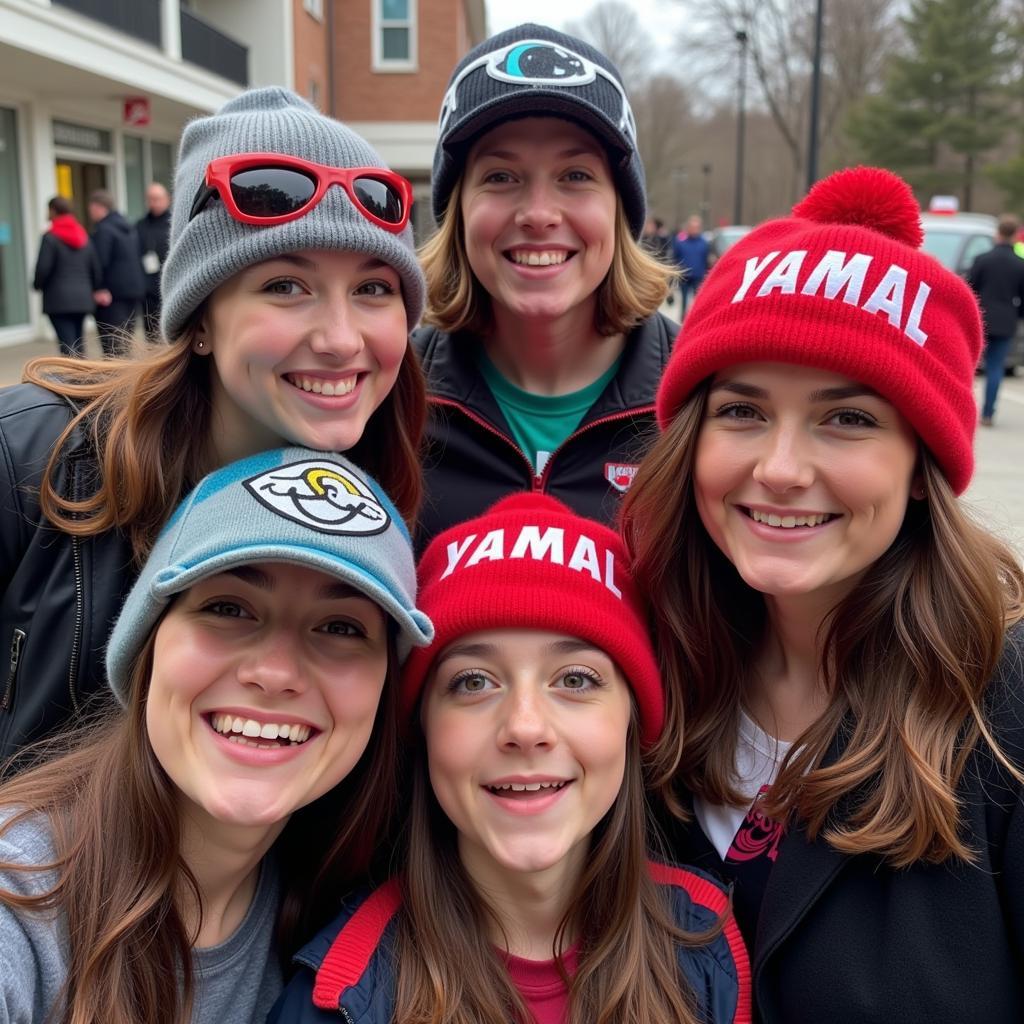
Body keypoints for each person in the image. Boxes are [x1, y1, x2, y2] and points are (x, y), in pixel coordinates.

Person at [620, 166, 1024, 1023]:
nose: (780, 469)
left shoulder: (1005, 708)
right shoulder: (646, 664)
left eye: (848, 419)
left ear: (922, 468)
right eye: (742, 412)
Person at [0, 86, 426, 762]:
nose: (343, 340)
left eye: (373, 289)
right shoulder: (28, 458)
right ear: (199, 321)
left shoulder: (399, 508)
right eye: (286, 286)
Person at [269, 494, 751, 1024]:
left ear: (632, 720)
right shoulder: (340, 993)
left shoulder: (707, 943)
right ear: (422, 725)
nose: (525, 728)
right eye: (473, 682)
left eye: (574, 679)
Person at [0, 446, 433, 1024]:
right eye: (229, 608)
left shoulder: (345, 905)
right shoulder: (19, 901)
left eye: (339, 627)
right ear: (147, 647)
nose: (275, 673)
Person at [414, 23, 678, 549]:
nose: (538, 214)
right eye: (501, 177)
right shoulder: (392, 395)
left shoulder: (698, 397)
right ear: (458, 210)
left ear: (620, 207)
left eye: (576, 175)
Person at [967, 214, 1024, 426]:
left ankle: (965, 411)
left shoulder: (983, 259)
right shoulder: (1020, 265)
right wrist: (1017, 317)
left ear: (997, 233)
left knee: (970, 368)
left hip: (981, 319)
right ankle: (988, 413)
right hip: (1006, 320)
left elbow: (969, 290)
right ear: (1015, 235)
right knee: (996, 367)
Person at [31, 196, 100, 357]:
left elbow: (43, 268)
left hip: (58, 300)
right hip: (82, 298)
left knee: (66, 345)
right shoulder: (83, 235)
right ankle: (83, 376)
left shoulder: (50, 237)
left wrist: (36, 284)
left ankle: (72, 379)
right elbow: (95, 268)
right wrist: (93, 288)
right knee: (78, 343)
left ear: (53, 211)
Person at [88, 189, 146, 355]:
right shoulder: (128, 228)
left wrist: (99, 288)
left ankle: (115, 379)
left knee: (111, 344)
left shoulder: (104, 230)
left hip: (112, 295)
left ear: (98, 207)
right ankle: (126, 376)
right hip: (134, 291)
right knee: (125, 341)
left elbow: (99, 262)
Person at [136, 181, 172, 342]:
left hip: (169, 286)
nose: (154, 202)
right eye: (150, 199)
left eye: (157, 198)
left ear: (167, 199)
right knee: (150, 332)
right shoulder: (140, 226)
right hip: (148, 288)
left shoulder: (174, 223)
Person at [673, 214, 711, 314]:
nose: (694, 229)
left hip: (698, 276)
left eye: (696, 227)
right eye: (692, 227)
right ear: (688, 227)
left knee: (697, 301)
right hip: (684, 275)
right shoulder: (681, 241)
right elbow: (675, 257)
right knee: (684, 301)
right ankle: (682, 320)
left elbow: (707, 259)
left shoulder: (704, 242)